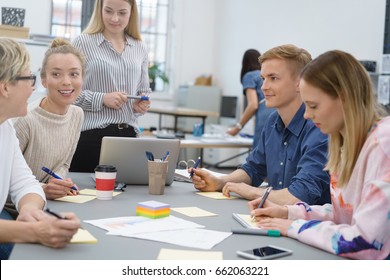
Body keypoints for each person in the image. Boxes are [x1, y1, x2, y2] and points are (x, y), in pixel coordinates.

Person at [249, 50, 390, 260]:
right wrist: (290, 212)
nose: (306, 114)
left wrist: (294, 226)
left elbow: (364, 242)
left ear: (344, 98)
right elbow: (344, 215)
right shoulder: (345, 143)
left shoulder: (383, 144)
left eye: (313, 105)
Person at [192, 44, 330, 205]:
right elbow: (253, 169)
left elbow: (299, 195)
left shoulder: (319, 126)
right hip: (274, 218)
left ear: (299, 82)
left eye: (273, 78)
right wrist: (220, 181)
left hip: (307, 225)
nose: (264, 87)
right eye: (263, 79)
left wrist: (251, 191)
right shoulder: (272, 121)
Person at [0, 38, 80, 260]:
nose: (33, 88)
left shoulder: (5, 127)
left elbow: (25, 183)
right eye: (29, 79)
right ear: (5, 87)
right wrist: (33, 230)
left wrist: (30, 211)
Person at [70, 0, 151, 172]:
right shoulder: (82, 43)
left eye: (122, 13)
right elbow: (67, 93)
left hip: (129, 138)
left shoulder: (140, 47)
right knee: (86, 197)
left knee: (127, 197)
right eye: (108, 11)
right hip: (91, 138)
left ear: (131, 13)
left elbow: (143, 92)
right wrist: (102, 99)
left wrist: (141, 105)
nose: (115, 18)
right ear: (100, 9)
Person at [13, 38, 85, 200]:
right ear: (44, 80)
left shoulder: (77, 114)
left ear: (82, 78)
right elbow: (4, 180)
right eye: (56, 74)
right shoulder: (25, 120)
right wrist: (43, 189)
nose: (66, 82)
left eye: (74, 74)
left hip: (49, 202)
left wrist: (58, 183)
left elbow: (64, 164)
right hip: (14, 206)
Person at [226, 49, 275, 148]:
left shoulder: (249, 76)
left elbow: (253, 105)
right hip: (277, 111)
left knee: (260, 152)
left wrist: (237, 128)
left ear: (245, 63)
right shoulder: (264, 75)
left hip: (264, 115)